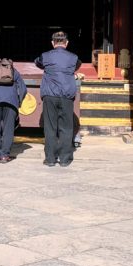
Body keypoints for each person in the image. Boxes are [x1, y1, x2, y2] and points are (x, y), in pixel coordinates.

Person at [34, 30, 81, 167]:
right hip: (66, 95)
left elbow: (37, 63)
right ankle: (65, 159)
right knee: (66, 127)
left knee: (50, 127)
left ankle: (50, 158)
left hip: (50, 95)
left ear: (52, 43)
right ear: (66, 43)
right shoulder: (74, 58)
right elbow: (77, 66)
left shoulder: (45, 56)